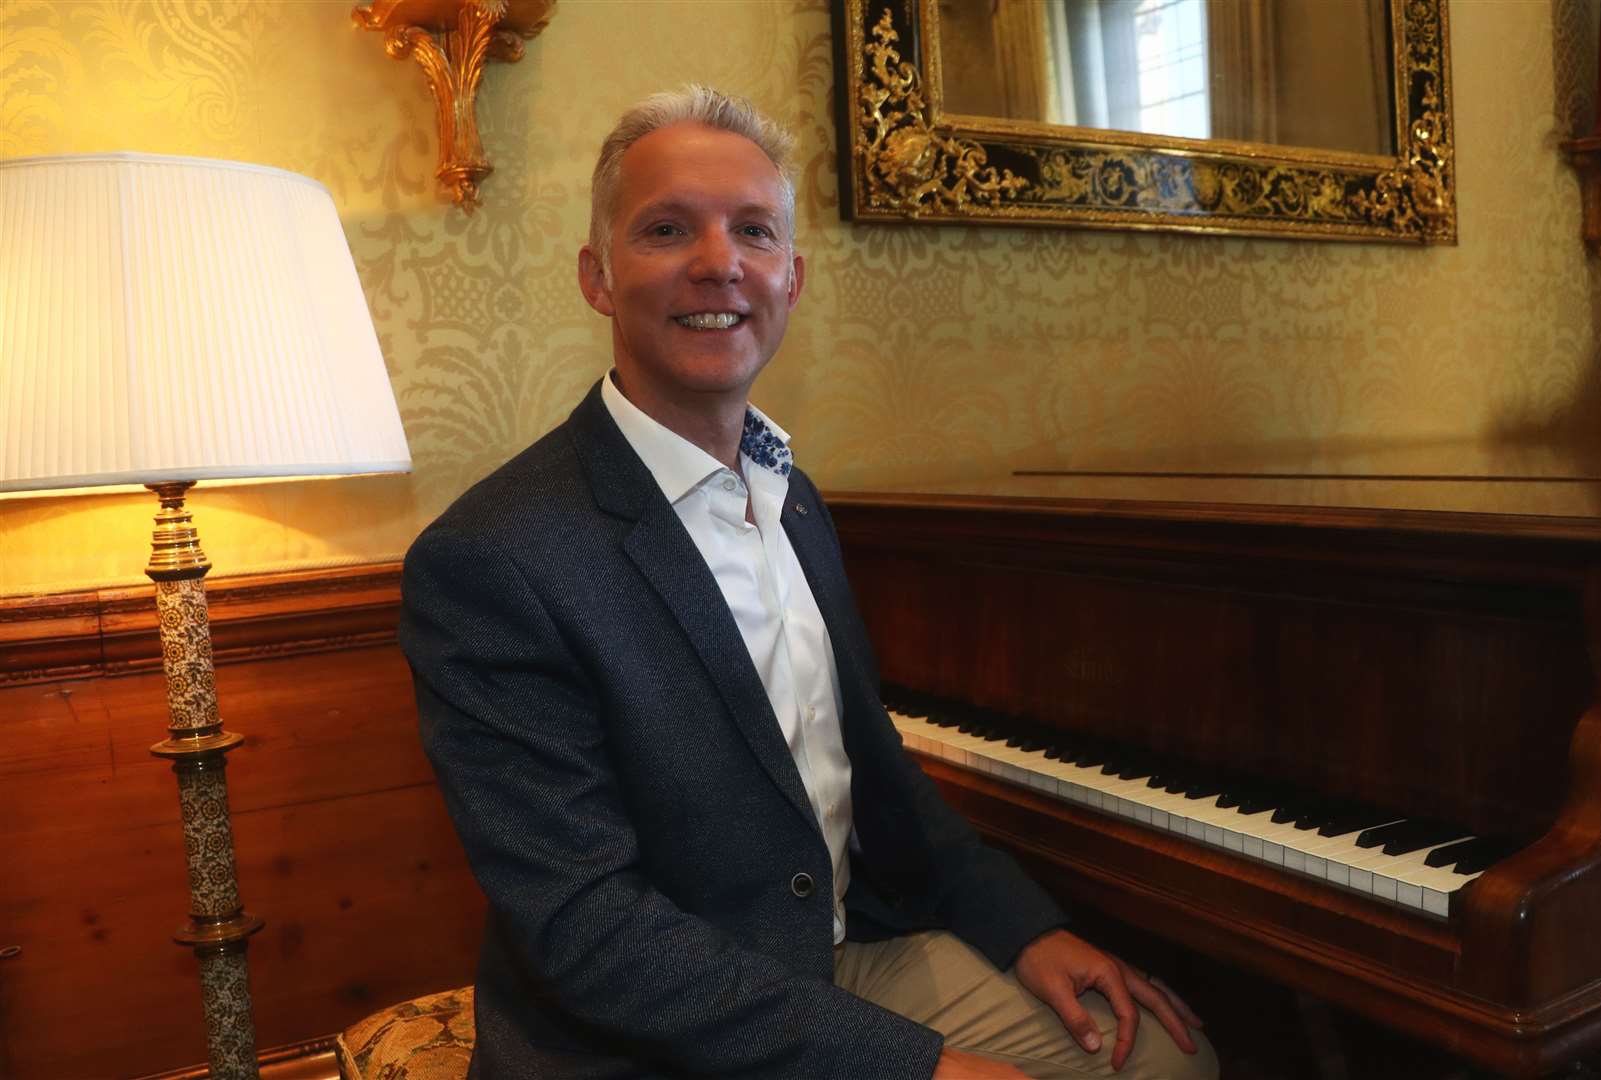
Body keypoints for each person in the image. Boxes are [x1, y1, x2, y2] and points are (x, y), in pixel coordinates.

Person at [399, 86, 1219, 1080]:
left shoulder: (789, 494)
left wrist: (1018, 928)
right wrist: (916, 1069)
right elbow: (587, 928)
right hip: (642, 1031)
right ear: (599, 277)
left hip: (833, 956)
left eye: (753, 229)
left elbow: (871, 767)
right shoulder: (494, 558)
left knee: (1163, 1061)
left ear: (790, 276)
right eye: (666, 228)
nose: (718, 261)